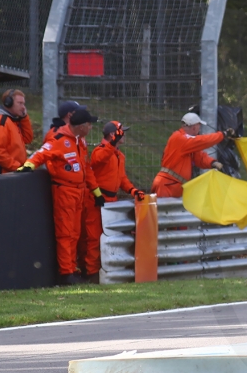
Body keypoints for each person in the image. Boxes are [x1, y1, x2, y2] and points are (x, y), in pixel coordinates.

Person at [17, 108, 105, 285]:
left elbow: (86, 168)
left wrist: (96, 191)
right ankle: (66, 273)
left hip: (79, 192)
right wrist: (28, 166)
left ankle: (72, 269)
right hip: (64, 191)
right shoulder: (59, 140)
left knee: (75, 233)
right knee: (66, 233)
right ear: (81, 126)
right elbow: (41, 154)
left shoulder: (81, 142)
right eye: (89, 125)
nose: (91, 128)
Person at [79, 121, 146, 283]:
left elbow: (122, 179)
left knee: (111, 238)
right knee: (93, 238)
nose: (124, 135)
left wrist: (133, 191)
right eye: (121, 132)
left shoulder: (118, 155)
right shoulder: (100, 151)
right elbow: (98, 161)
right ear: (112, 135)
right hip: (96, 199)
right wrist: (113, 143)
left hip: (111, 202)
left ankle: (107, 271)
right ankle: (91, 274)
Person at [151, 112, 228, 198]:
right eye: (199, 126)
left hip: (173, 185)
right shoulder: (180, 138)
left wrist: (213, 163)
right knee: (163, 211)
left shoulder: (187, 142)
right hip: (167, 185)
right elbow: (203, 141)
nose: (199, 129)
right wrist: (223, 135)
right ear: (195, 127)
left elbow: (199, 158)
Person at [0, 89, 35, 175]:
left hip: (14, 173)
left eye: (23, 103)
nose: (23, 107)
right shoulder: (2, 122)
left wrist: (24, 118)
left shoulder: (13, 121)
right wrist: (17, 167)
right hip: (7, 174)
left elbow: (28, 138)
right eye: (20, 103)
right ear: (8, 103)